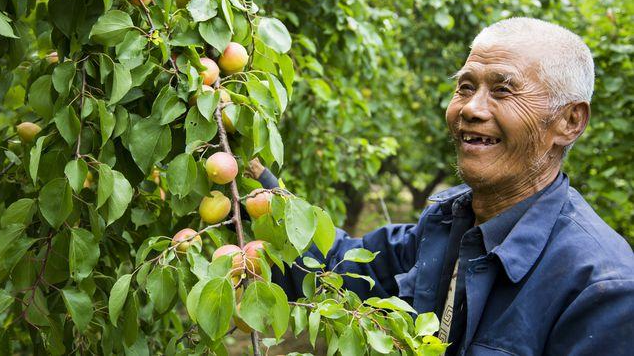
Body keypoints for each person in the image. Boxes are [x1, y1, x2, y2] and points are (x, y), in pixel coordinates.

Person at [249, 18, 634, 356]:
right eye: (465, 87)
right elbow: (333, 270)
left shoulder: (603, 289)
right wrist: (254, 176)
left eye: (503, 90)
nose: (471, 108)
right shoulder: (446, 225)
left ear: (569, 121)